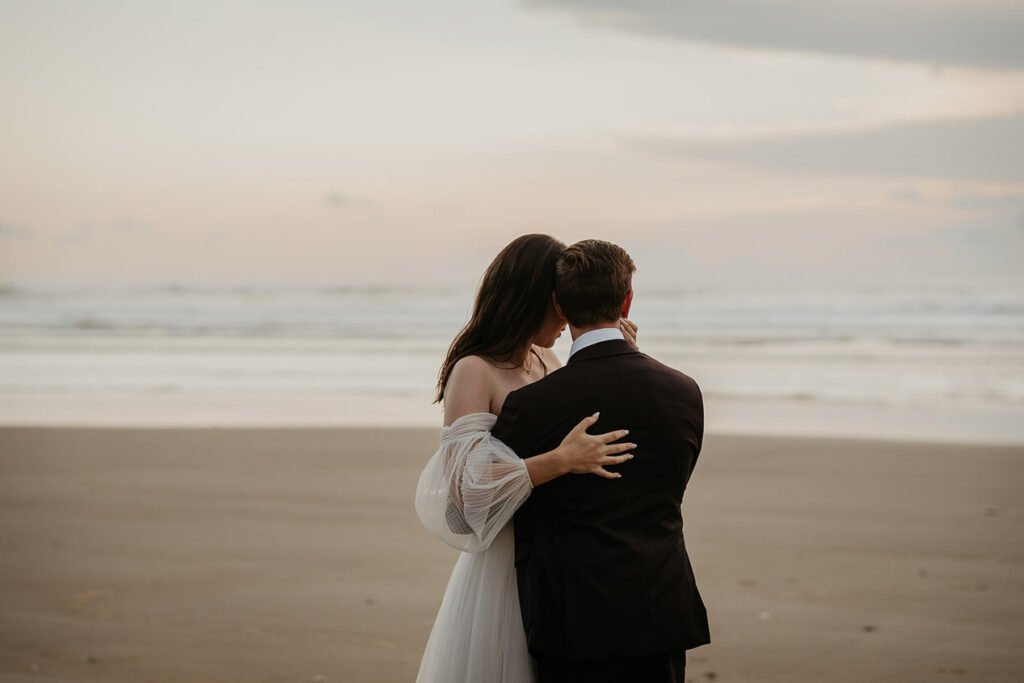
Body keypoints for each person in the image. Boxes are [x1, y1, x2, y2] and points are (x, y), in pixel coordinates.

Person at [414, 234, 640, 683]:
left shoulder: (548, 358)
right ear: (533, 299)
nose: (566, 315)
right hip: (505, 557)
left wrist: (624, 355)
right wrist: (559, 460)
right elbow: (464, 484)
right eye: (559, 303)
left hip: (557, 551)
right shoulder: (474, 369)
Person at [491, 239, 709, 683]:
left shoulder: (528, 406)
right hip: (660, 610)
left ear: (560, 305)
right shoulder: (684, 391)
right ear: (627, 300)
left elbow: (501, 498)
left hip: (570, 622)